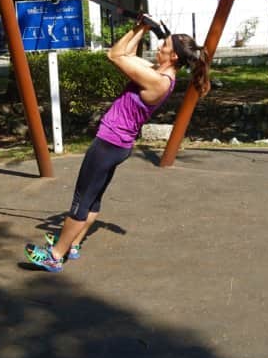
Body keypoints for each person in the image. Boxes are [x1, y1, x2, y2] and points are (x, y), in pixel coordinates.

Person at [24, 19, 211, 272]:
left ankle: (55, 256)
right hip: (117, 145)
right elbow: (127, 54)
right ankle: (73, 244)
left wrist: (139, 29)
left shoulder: (158, 81)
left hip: (108, 144)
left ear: (174, 55)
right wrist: (141, 27)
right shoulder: (159, 73)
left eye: (164, 44)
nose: (159, 46)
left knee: (82, 200)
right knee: (93, 199)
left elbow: (114, 55)